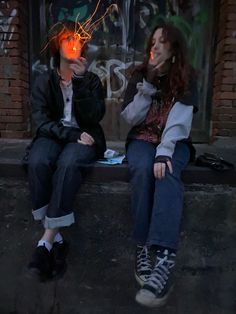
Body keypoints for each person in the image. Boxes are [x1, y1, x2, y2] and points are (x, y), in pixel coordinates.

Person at [121, 23, 198, 307]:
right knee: (142, 169)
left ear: (174, 47)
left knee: (165, 172)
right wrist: (148, 86)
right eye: (152, 41)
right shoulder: (140, 74)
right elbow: (130, 118)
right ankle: (142, 248)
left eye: (162, 41)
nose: (155, 46)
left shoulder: (188, 77)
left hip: (174, 142)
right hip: (141, 139)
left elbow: (180, 119)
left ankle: (164, 259)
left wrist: (165, 152)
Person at [26, 20, 106, 281]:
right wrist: (70, 133)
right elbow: (42, 121)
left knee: (69, 163)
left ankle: (46, 243)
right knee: (38, 160)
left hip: (85, 140)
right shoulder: (43, 81)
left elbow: (94, 117)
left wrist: (81, 82)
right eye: (66, 39)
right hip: (54, 135)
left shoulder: (92, 80)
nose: (73, 43)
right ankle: (57, 240)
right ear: (56, 47)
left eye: (77, 39)